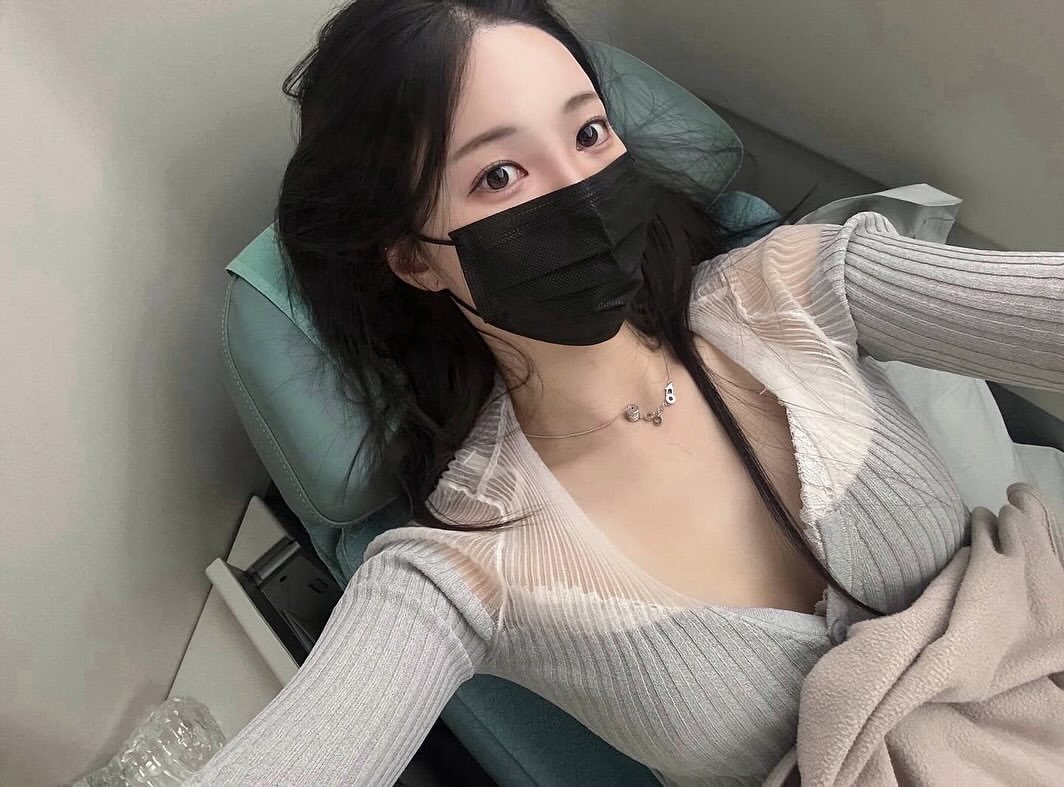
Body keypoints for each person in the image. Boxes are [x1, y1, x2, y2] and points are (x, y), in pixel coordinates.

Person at [187, 0, 1064, 784]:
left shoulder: (795, 286)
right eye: (499, 175)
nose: (580, 189)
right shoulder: (466, 563)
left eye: (589, 133)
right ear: (416, 259)